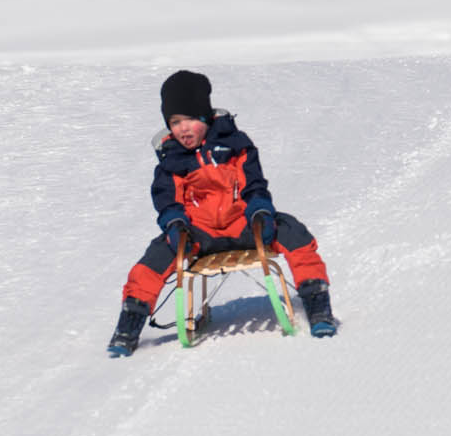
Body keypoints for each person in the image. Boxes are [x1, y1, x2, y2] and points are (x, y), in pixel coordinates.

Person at [107, 70, 337, 357]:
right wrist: (175, 225)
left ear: (205, 116)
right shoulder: (171, 161)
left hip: (244, 225)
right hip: (197, 233)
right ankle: (130, 323)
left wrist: (260, 212)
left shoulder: (235, 145)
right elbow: (167, 202)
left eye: (189, 118)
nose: (183, 129)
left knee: (293, 231)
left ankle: (317, 301)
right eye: (175, 122)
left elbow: (254, 186)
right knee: (154, 257)